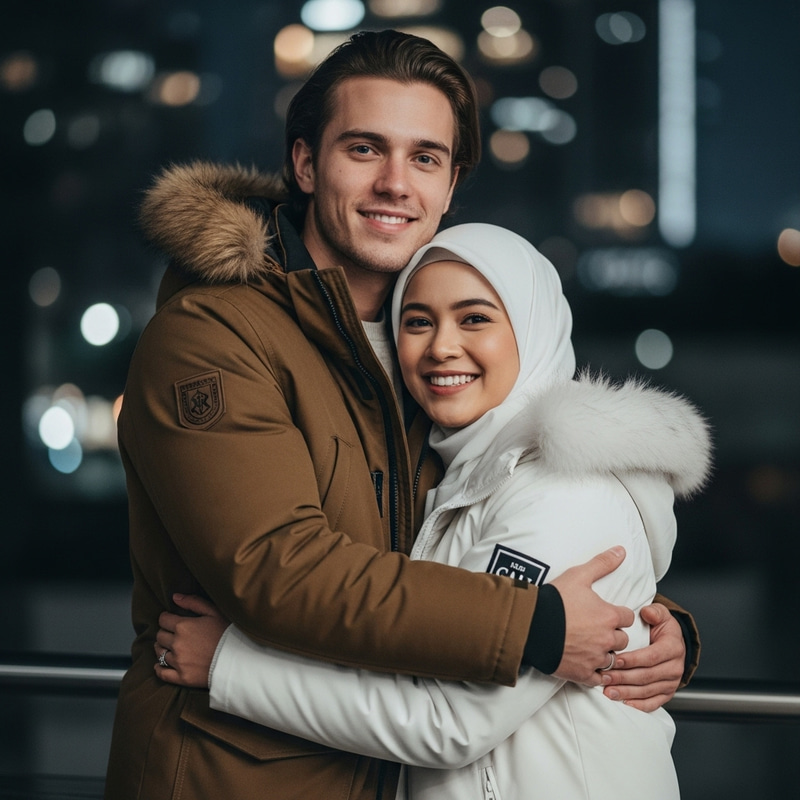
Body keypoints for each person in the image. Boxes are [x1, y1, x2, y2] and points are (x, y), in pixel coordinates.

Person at [105, 30, 698, 800]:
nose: (395, 183)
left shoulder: (423, 355)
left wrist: (643, 622)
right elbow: (280, 569)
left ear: (450, 187)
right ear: (305, 164)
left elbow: (487, 523)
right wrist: (540, 625)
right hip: (232, 776)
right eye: (364, 149)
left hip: (373, 772)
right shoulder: (213, 337)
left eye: (425, 158)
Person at [154, 223, 711, 799]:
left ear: (534, 329)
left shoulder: (565, 489)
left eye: (474, 319)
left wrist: (231, 666)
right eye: (417, 322)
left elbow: (449, 720)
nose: (441, 346)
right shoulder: (465, 472)